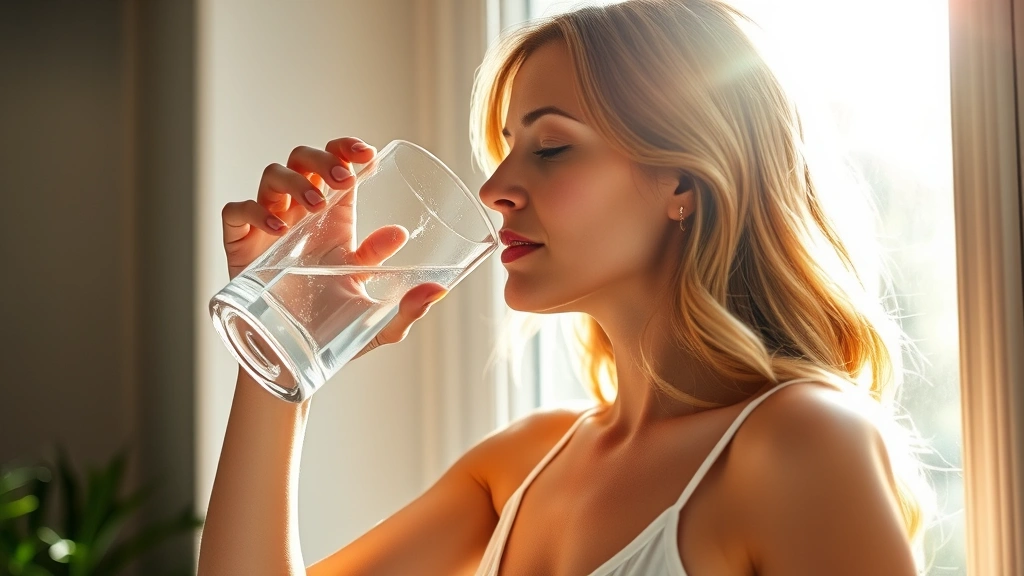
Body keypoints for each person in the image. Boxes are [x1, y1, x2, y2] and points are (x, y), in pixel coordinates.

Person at [198, 0, 934, 574]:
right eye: (507, 148)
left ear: (683, 181)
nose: (494, 188)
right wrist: (284, 341)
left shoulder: (802, 444)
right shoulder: (519, 468)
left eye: (550, 147)